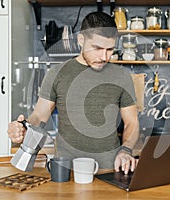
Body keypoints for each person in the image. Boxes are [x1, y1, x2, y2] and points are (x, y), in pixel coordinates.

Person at [7, 11, 139, 174]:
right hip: (66, 170)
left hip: (109, 169)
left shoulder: (122, 76)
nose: (104, 57)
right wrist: (22, 128)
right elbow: (39, 117)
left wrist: (126, 150)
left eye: (110, 49)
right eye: (97, 48)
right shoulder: (57, 73)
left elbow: (131, 122)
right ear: (81, 40)